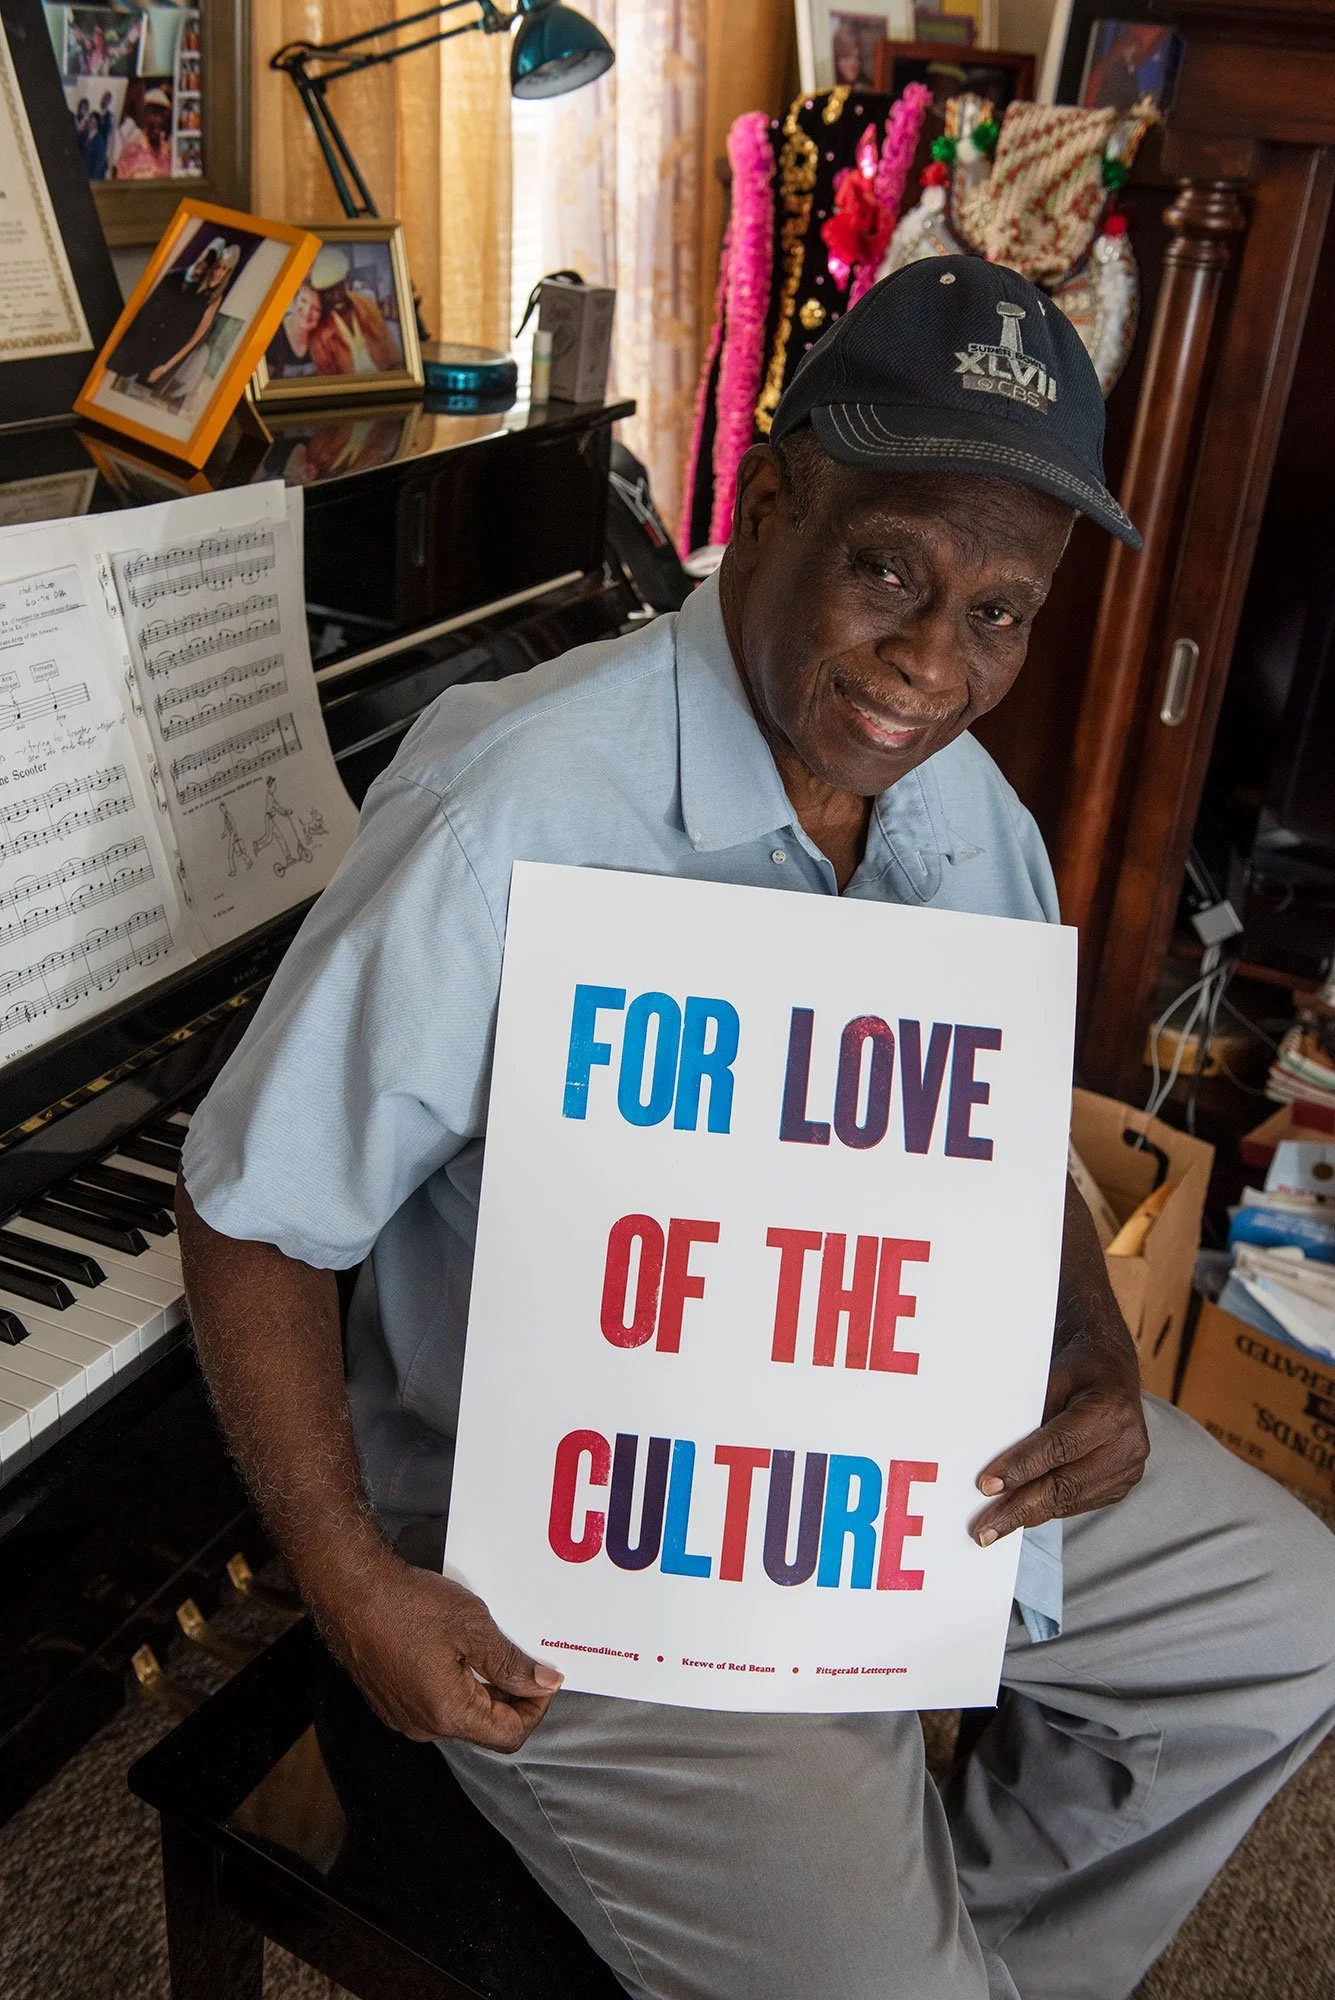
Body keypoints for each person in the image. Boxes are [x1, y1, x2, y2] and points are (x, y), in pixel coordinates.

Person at [177, 257, 1335, 2000]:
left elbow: (1007, 1158)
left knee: (1286, 1622)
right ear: (773, 498)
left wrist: (1092, 1347)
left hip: (902, 1459)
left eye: (1002, 615)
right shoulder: (515, 806)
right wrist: (349, 1586)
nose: (933, 668)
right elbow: (253, 1214)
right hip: (581, 1556)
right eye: (889, 571)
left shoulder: (971, 819)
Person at [304, 245, 402, 376]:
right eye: (330, 291)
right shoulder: (320, 337)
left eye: (340, 286)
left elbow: (392, 353)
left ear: (348, 281)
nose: (337, 295)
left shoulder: (367, 305)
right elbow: (327, 383)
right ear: (322, 294)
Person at [116, 85, 173, 180]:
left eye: (162, 116)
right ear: (146, 115)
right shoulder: (132, 149)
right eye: (154, 114)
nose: (158, 120)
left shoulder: (169, 152)